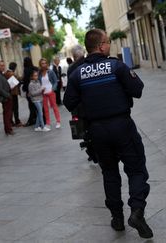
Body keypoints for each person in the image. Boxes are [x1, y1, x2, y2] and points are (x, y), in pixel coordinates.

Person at [64, 29, 153, 239]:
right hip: (122, 125)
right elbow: (137, 89)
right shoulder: (116, 66)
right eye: (108, 42)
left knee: (110, 174)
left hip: (97, 131)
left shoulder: (77, 73)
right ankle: (137, 211)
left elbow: (69, 102)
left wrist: (89, 106)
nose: (109, 45)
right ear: (101, 45)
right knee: (136, 169)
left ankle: (118, 219)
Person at [39, 58, 61, 130]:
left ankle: (58, 121)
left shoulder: (50, 72)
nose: (44, 65)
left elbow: (55, 81)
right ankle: (48, 123)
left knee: (54, 107)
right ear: (40, 64)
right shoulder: (39, 73)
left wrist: (53, 89)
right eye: (42, 63)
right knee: (45, 109)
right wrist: (40, 89)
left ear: (47, 64)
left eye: (45, 63)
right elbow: (39, 83)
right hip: (44, 93)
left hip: (51, 92)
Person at [0, 60, 14, 135]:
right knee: (7, 114)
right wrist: (8, 95)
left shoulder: (1, 74)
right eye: (1, 66)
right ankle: (8, 130)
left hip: (7, 97)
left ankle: (8, 129)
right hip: (5, 98)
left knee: (8, 113)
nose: (3, 67)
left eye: (3, 65)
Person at [22, 57, 38, 126]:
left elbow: (26, 81)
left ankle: (31, 120)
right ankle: (35, 118)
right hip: (37, 89)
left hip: (29, 90)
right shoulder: (35, 69)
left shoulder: (26, 70)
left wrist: (25, 89)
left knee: (31, 105)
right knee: (36, 104)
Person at [7, 62, 23, 127]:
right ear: (14, 67)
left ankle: (11, 121)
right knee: (15, 108)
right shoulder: (11, 74)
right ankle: (17, 121)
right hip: (13, 93)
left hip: (9, 93)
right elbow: (18, 80)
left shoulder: (6, 73)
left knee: (11, 108)